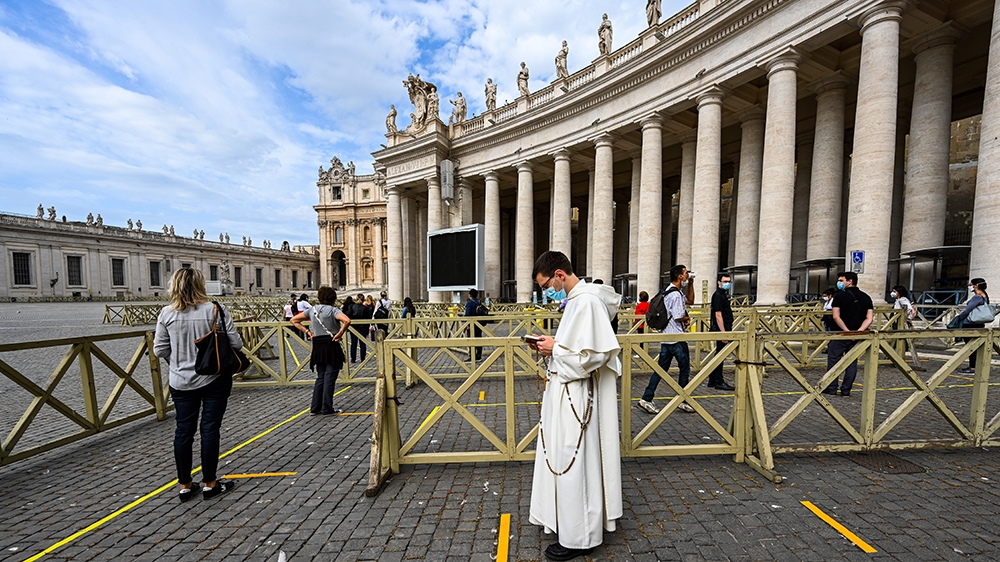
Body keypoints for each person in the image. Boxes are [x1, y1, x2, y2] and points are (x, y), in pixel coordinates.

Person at [526, 251, 622, 561]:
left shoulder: (586, 301)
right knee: (567, 460)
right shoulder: (577, 300)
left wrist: (556, 348)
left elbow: (592, 357)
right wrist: (553, 344)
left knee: (575, 463)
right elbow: (577, 344)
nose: (546, 291)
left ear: (559, 274)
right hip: (565, 392)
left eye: (546, 285)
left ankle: (581, 537)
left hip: (577, 396)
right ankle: (570, 525)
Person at [154, 267, 241, 502]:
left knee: (183, 431)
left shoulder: (166, 314)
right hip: (213, 378)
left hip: (180, 381)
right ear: (201, 285)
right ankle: (210, 484)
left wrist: (178, 361)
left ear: (174, 286)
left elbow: (159, 349)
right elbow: (237, 343)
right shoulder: (214, 309)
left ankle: (184, 485)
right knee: (209, 429)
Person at [637, 265, 696, 414]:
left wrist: (691, 284)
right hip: (676, 338)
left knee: (661, 370)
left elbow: (690, 301)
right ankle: (683, 399)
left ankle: (647, 398)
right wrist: (687, 318)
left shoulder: (669, 291)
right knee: (685, 369)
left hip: (666, 338)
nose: (688, 274)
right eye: (685, 273)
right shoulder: (675, 295)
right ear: (679, 276)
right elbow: (677, 316)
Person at [291, 286, 350, 415]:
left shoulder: (312, 310)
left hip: (318, 345)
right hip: (331, 344)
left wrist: (307, 331)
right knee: (330, 376)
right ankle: (327, 407)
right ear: (333, 298)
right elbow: (347, 320)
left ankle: (315, 407)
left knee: (321, 377)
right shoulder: (333, 310)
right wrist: (340, 333)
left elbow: (293, 320)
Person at [824, 271, 874, 397]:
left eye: (841, 280)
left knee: (833, 360)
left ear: (850, 281)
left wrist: (847, 331)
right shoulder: (866, 297)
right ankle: (846, 389)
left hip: (841, 333)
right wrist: (858, 332)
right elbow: (869, 318)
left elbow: (836, 316)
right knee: (852, 362)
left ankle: (832, 387)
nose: (839, 283)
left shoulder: (839, 297)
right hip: (857, 335)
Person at [954, 278, 990, 374]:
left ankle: (972, 367)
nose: (969, 286)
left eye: (971, 284)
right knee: (976, 346)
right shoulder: (985, 296)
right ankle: (977, 366)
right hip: (980, 324)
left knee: (970, 346)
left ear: (976, 285)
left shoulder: (977, 297)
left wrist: (959, 318)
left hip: (970, 324)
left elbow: (967, 310)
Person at [708, 274, 736, 391]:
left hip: (723, 326)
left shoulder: (721, 294)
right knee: (721, 355)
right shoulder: (718, 295)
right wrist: (723, 332)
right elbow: (718, 315)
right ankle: (718, 381)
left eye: (729, 281)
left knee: (719, 354)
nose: (727, 283)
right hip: (722, 327)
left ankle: (713, 379)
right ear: (719, 282)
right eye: (725, 281)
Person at [891, 285, 925, 371]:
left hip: (901, 322)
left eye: (894, 291)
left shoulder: (903, 299)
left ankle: (897, 358)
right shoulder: (898, 300)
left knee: (899, 340)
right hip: (897, 321)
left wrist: (905, 316)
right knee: (895, 340)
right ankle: (895, 357)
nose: (893, 293)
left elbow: (908, 308)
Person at [346, 293, 369, 363]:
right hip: (363, 327)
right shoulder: (365, 308)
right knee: (362, 344)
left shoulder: (352, 307)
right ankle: (363, 358)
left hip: (354, 328)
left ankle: (353, 359)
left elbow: (348, 315)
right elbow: (368, 318)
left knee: (353, 344)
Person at [464, 288, 485, 360]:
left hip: (472, 325)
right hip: (479, 324)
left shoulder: (469, 303)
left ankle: (471, 357)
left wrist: (467, 325)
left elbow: (467, 314)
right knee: (478, 339)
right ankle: (478, 356)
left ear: (470, 295)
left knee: (471, 340)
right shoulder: (478, 302)